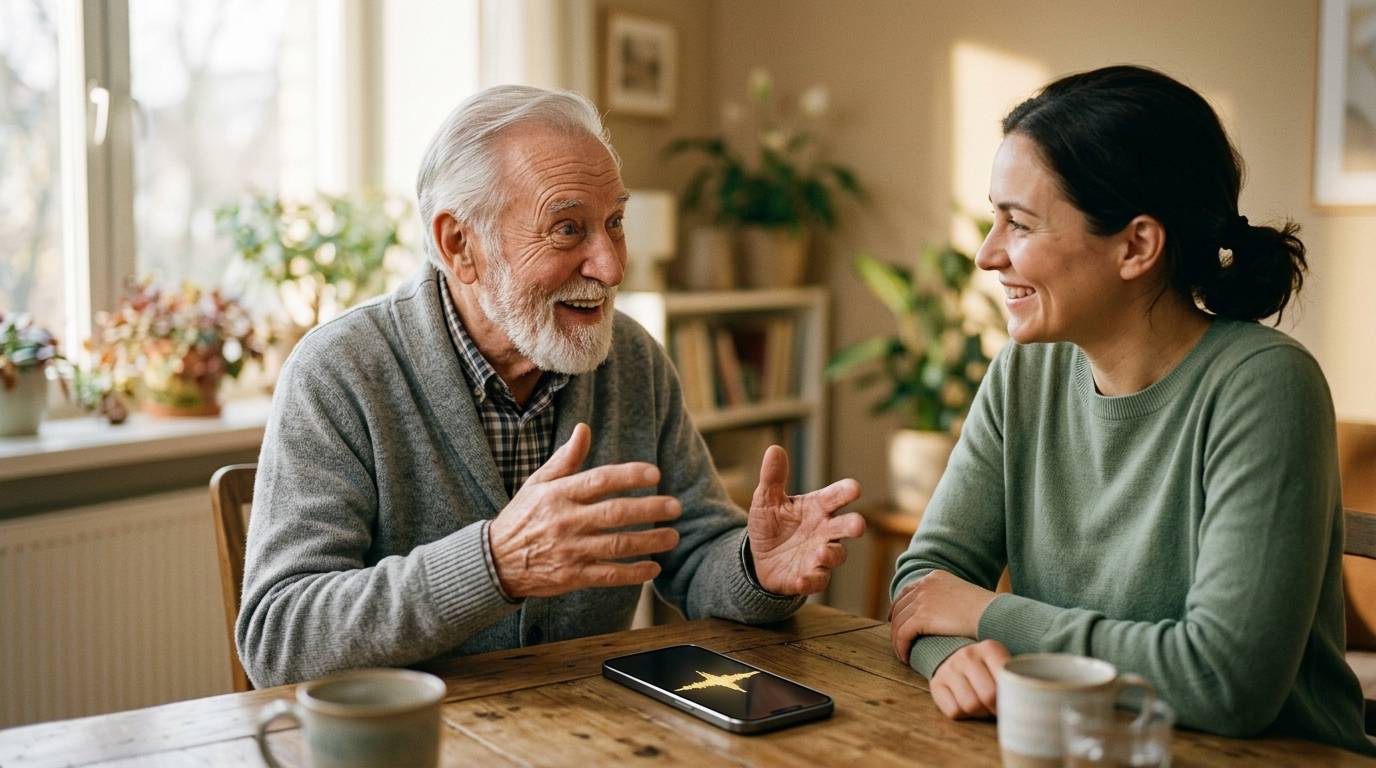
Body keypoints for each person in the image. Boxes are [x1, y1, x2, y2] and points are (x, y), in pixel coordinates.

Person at [237, 85, 864, 688]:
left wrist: (756, 566)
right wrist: (495, 566)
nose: (612, 266)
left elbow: (692, 549)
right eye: (567, 229)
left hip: (591, 733)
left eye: (615, 222)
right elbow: (280, 639)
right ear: (460, 246)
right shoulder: (340, 371)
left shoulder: (633, 359)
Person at [888, 65, 1375, 755]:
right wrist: (953, 658)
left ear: (1137, 246)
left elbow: (1225, 680)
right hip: (1079, 748)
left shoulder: (1266, 386)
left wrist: (989, 615)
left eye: (1018, 223)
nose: (986, 253)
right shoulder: (1024, 372)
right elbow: (924, 582)